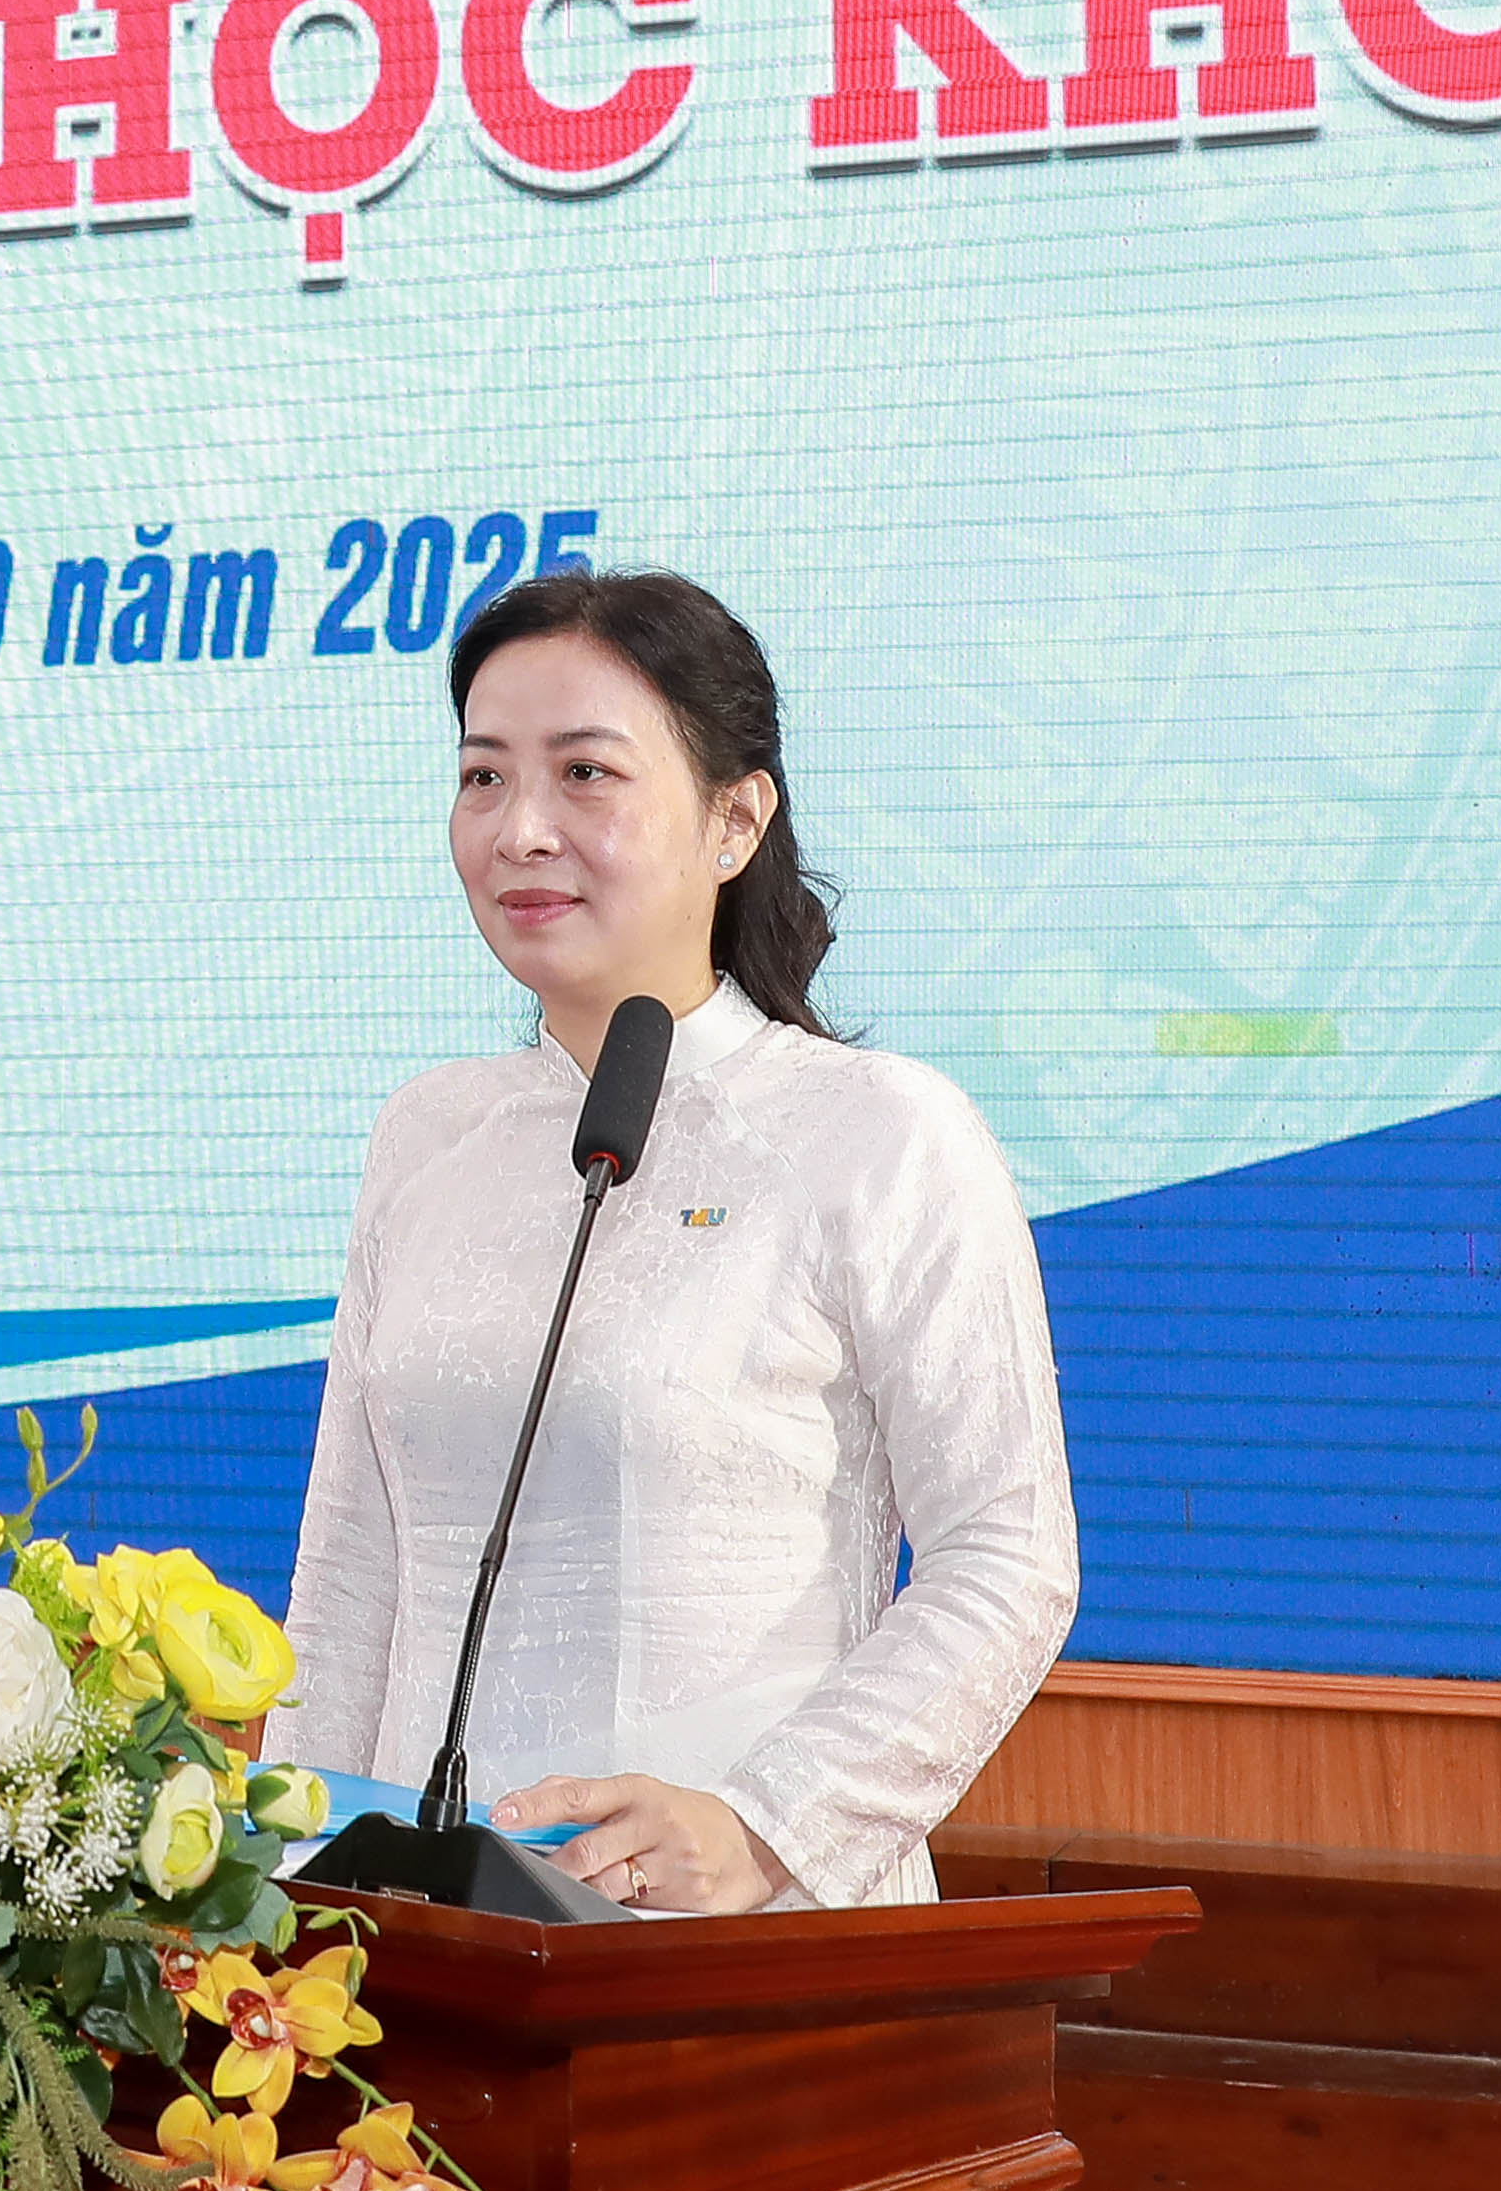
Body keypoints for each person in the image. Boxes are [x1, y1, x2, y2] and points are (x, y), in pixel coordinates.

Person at [271, 570, 1076, 1912]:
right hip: (429, 1945)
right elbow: (352, 1572)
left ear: (734, 819)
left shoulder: (878, 1133)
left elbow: (1008, 1556)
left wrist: (761, 1828)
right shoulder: (429, 1134)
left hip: (736, 1934)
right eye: (482, 777)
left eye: (584, 773)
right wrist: (284, 1890)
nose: (520, 830)